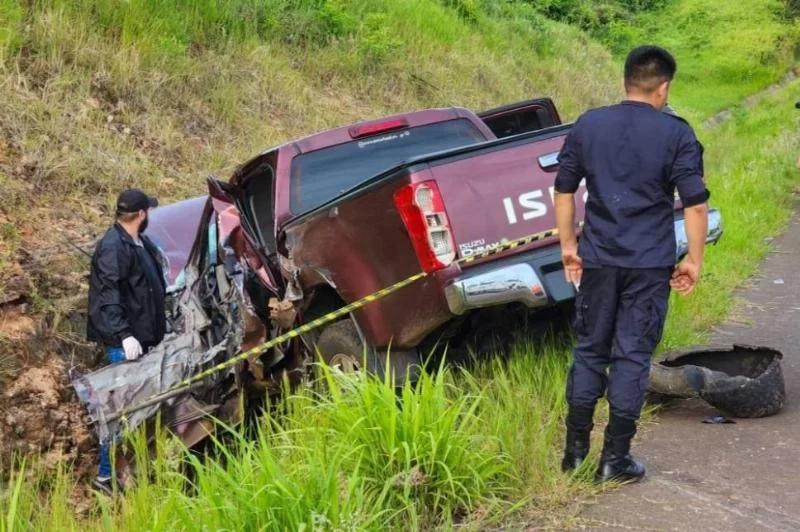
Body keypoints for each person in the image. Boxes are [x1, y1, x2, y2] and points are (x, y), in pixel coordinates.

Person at [553, 45, 709, 484]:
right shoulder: (676, 133)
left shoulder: (589, 125)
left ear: (626, 81)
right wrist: (693, 260)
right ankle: (614, 459)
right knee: (632, 356)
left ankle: (574, 454)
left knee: (588, 352)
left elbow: (563, 190)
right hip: (649, 265)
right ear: (664, 87)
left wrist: (569, 246)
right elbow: (695, 205)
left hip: (598, 259)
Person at [86, 188, 167, 494]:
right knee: (121, 413)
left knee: (140, 411)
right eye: (150, 211)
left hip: (145, 340)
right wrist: (125, 335)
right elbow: (108, 296)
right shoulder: (113, 246)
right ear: (142, 214)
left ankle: (134, 470)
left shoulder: (138, 241)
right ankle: (106, 478)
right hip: (125, 345)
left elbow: (145, 286)